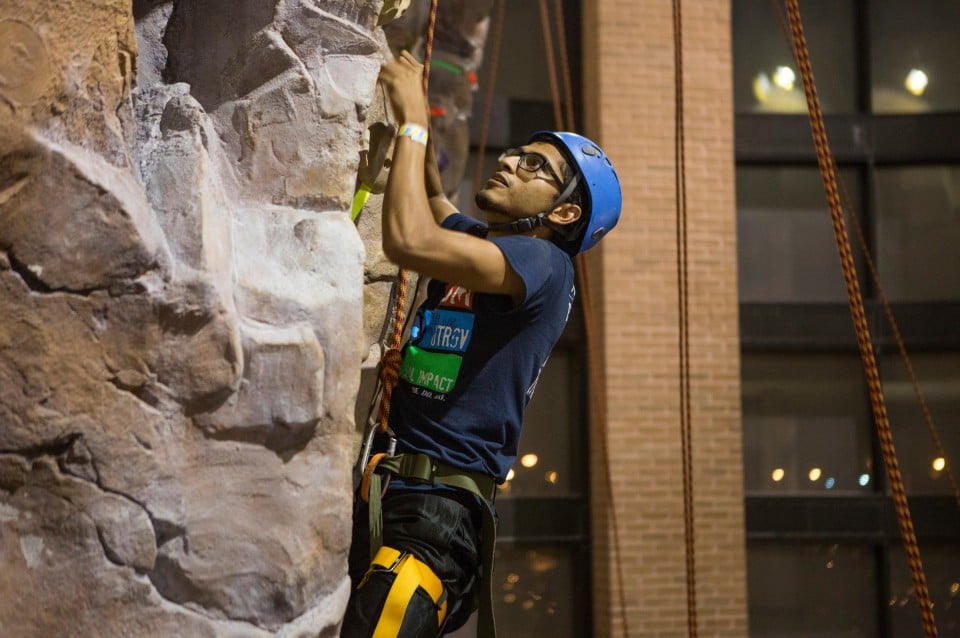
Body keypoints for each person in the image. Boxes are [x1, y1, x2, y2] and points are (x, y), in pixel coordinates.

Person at [341, 50, 622, 638]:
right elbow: (435, 201)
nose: (511, 162)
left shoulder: (543, 262)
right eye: (517, 152)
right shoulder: (489, 244)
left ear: (565, 211)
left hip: (433, 519)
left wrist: (417, 118)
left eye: (535, 168)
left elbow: (408, 239)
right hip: (402, 495)